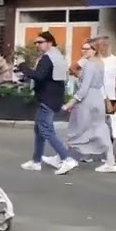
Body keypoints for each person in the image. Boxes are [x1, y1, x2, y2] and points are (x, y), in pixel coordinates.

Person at [18, 31, 74, 173]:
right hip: (54, 98)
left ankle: (67, 159)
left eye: (40, 42)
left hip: (47, 100)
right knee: (39, 130)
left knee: (46, 130)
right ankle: (36, 161)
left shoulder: (48, 58)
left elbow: (39, 76)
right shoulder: (58, 57)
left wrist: (23, 67)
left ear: (50, 42)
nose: (37, 45)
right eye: (36, 43)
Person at [61, 41, 116, 174]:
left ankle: (61, 156)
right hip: (97, 98)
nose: (84, 51)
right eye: (82, 48)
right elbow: (98, 83)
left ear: (94, 50)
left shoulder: (90, 64)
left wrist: (71, 102)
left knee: (77, 128)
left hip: (88, 100)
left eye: (87, 49)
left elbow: (84, 87)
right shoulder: (100, 63)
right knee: (100, 128)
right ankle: (110, 161)